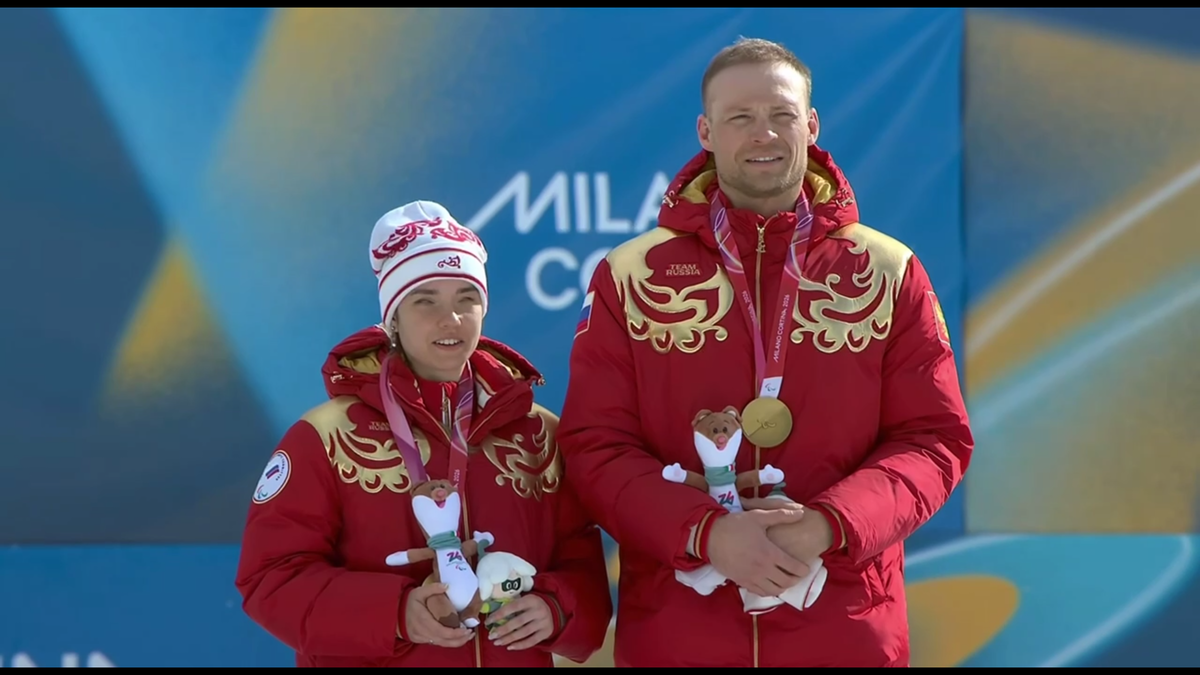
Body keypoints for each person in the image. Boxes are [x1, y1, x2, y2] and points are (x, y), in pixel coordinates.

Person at [556, 37, 974, 668]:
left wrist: (827, 525)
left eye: (782, 114)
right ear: (706, 131)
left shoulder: (888, 269)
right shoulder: (631, 274)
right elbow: (595, 445)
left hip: (845, 632)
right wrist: (706, 533)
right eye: (740, 117)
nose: (764, 134)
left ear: (812, 125)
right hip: (680, 637)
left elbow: (935, 439)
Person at [234, 200, 613, 668]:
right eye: (425, 300)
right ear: (392, 316)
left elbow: (584, 568)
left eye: (466, 298)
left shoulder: (538, 433)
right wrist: (395, 614)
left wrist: (553, 608)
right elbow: (270, 580)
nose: (450, 319)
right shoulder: (325, 437)